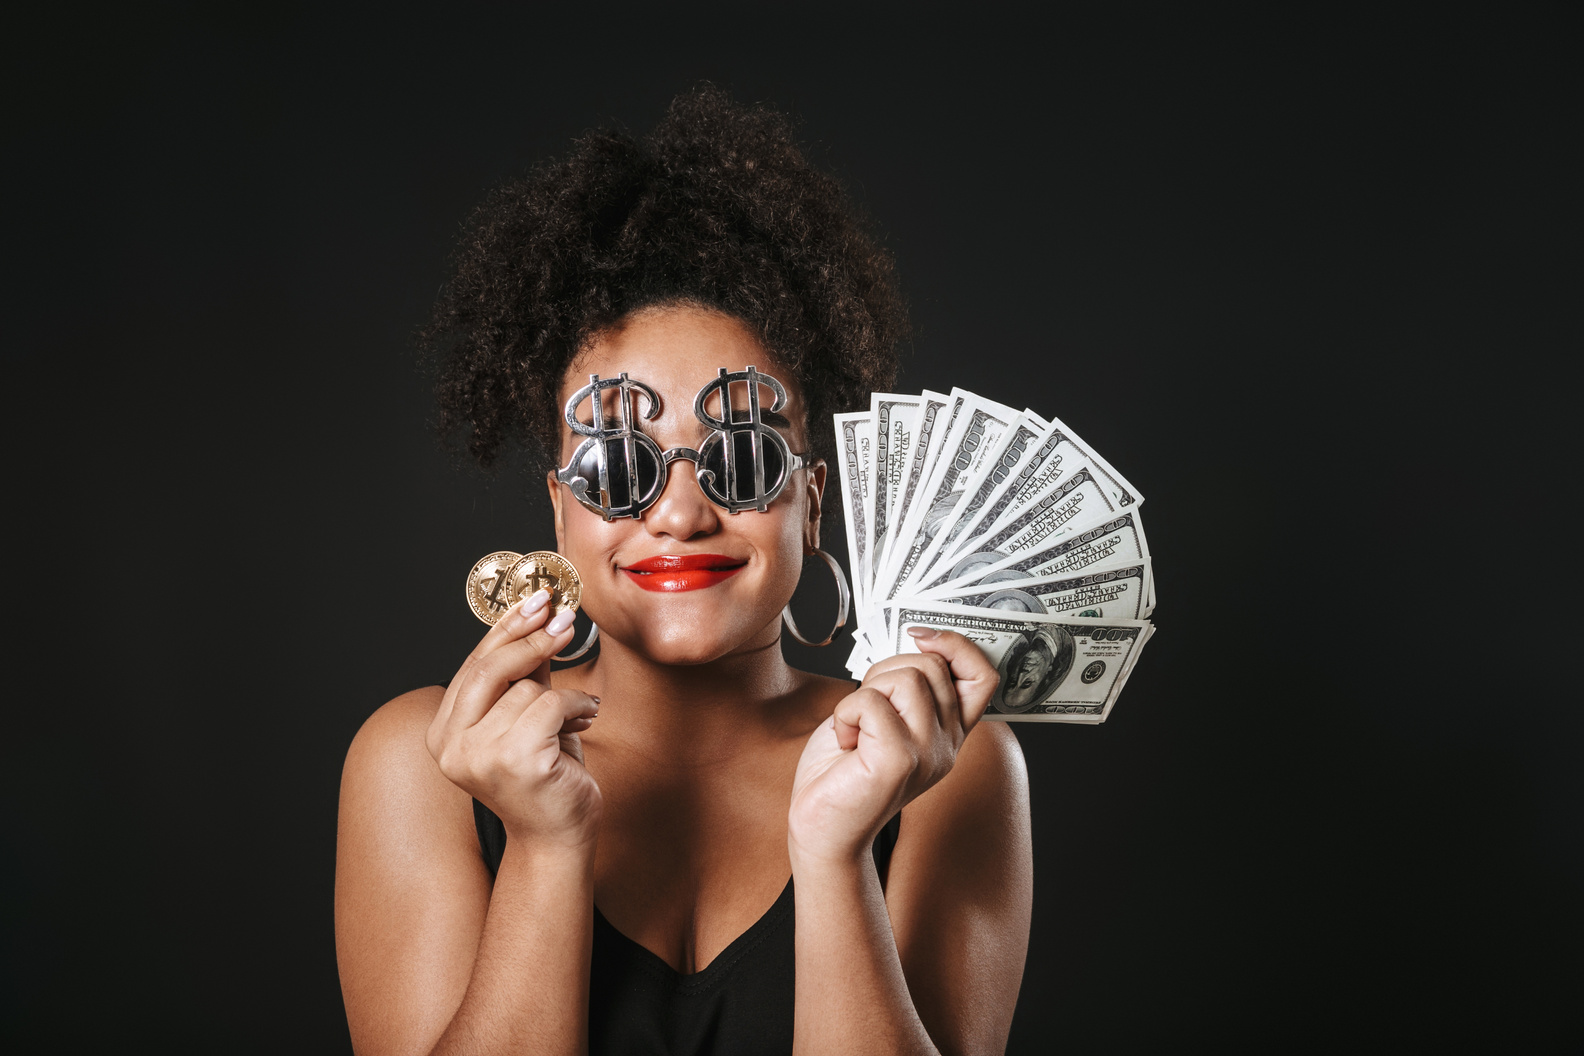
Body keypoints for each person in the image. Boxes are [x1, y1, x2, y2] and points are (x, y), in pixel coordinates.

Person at [335, 87, 1033, 1056]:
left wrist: (835, 857)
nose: (678, 512)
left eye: (740, 458)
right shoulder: (420, 768)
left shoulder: (950, 773)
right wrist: (542, 848)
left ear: (811, 501)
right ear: (558, 513)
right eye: (620, 468)